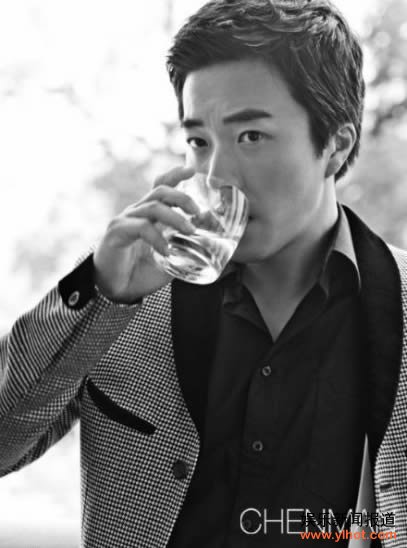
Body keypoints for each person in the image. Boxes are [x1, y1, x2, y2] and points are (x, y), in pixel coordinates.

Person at [0, 0, 405, 546]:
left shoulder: (398, 304)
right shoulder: (120, 298)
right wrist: (98, 293)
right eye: (199, 141)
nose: (217, 174)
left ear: (336, 144)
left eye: (251, 136)